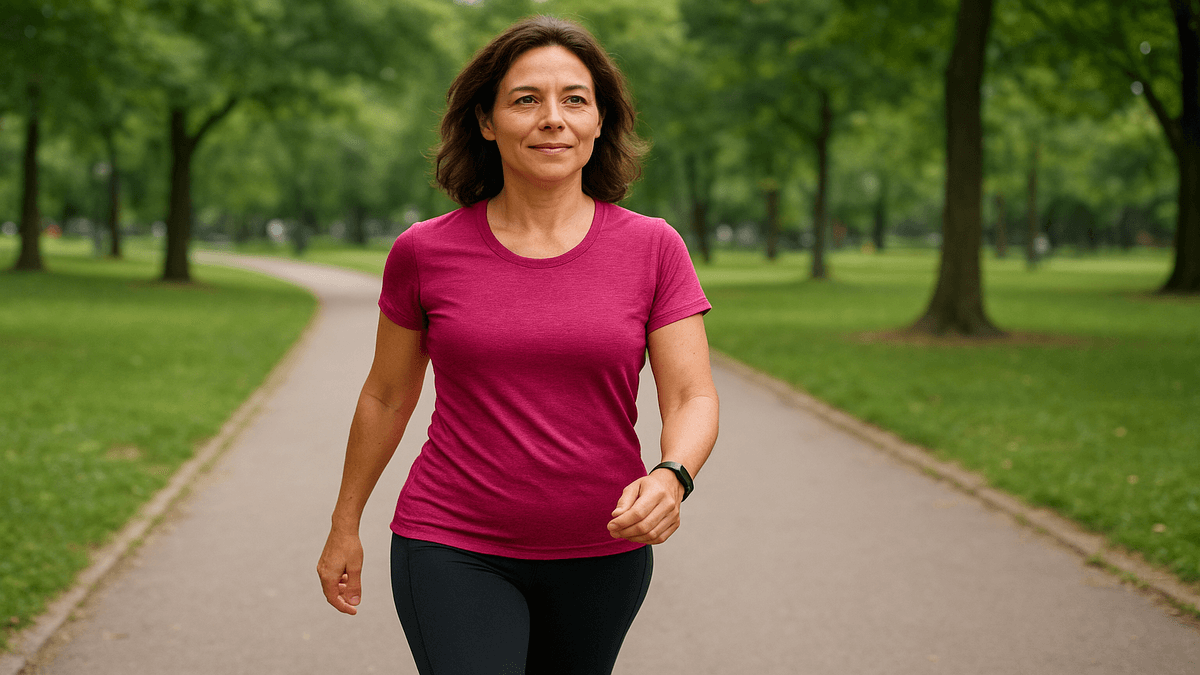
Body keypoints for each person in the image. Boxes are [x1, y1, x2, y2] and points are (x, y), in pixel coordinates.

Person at [316, 15, 719, 675]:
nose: (552, 118)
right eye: (526, 99)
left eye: (575, 99)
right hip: (450, 541)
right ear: (486, 121)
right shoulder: (425, 251)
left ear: (599, 122)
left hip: (603, 550)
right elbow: (386, 394)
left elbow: (691, 392)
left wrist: (673, 474)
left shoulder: (654, 248)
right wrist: (345, 520)